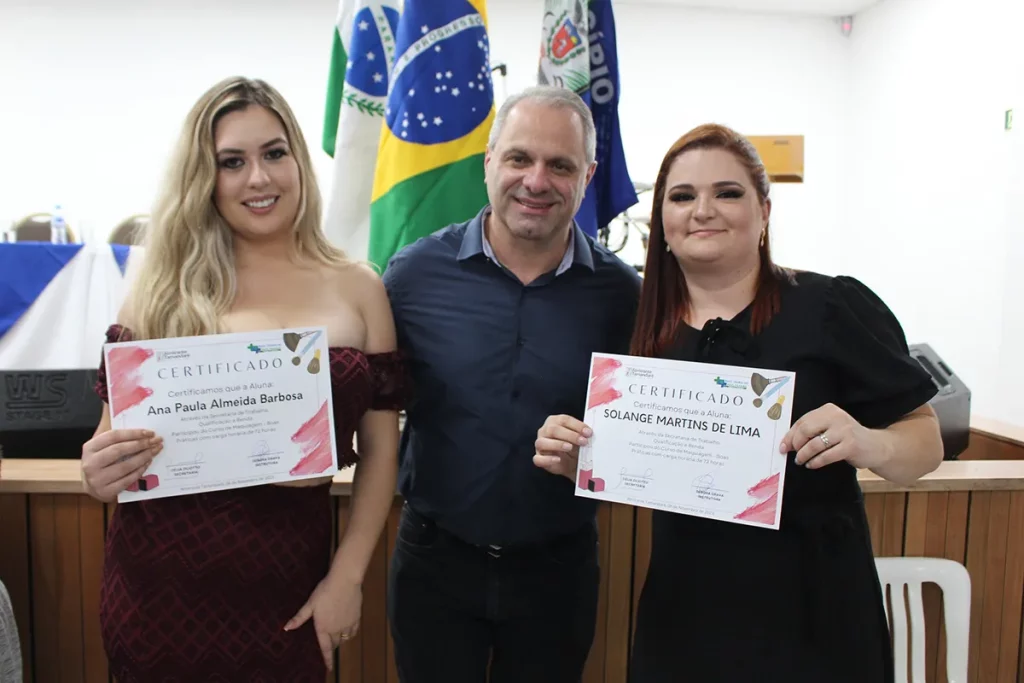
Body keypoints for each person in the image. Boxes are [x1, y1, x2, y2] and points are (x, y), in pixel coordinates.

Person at [535, 123, 944, 683]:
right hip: (686, 611)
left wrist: (869, 442)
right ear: (663, 224)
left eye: (727, 193)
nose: (703, 210)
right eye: (682, 197)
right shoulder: (636, 327)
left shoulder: (829, 306)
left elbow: (926, 440)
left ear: (765, 212)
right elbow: (634, 464)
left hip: (814, 613)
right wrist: (579, 460)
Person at [79, 77, 408, 682]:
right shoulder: (157, 294)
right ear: (204, 179)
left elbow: (382, 455)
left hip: (292, 595)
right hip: (160, 601)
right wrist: (98, 472)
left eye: (274, 153)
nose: (258, 178)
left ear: (299, 161)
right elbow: (108, 456)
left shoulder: (359, 287)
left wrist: (348, 577)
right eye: (232, 162)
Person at [381, 85, 642, 683]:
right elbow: (370, 394)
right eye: (520, 158)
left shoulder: (624, 295)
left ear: (589, 176)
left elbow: (644, 426)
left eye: (561, 165)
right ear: (489, 163)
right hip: (434, 564)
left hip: (559, 570)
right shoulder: (412, 276)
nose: (537, 180)